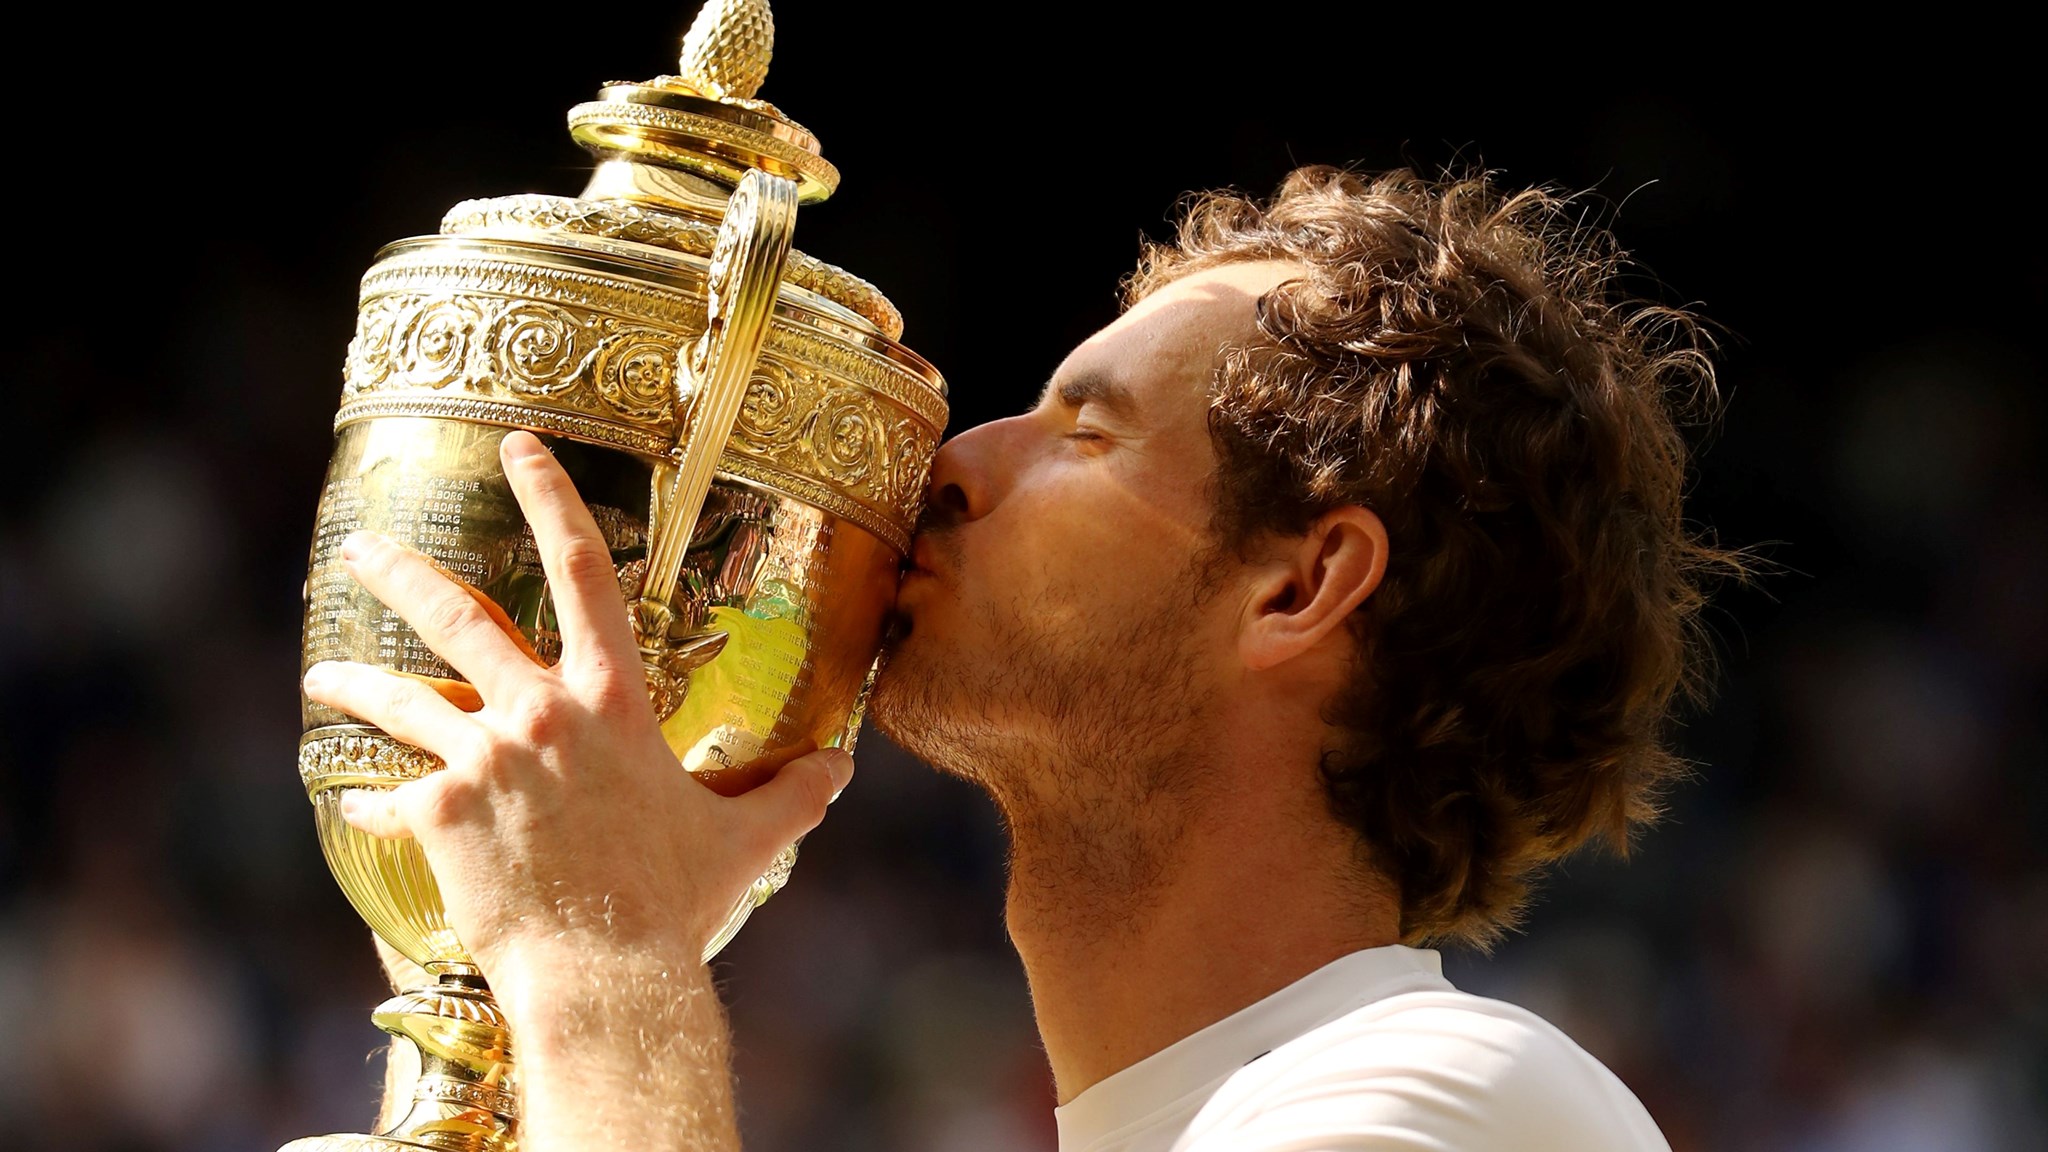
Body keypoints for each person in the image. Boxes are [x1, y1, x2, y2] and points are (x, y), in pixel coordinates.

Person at [303, 165, 1739, 1150]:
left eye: (1086, 431)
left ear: (1302, 585)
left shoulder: (1456, 1104)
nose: (956, 463)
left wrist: (598, 952)